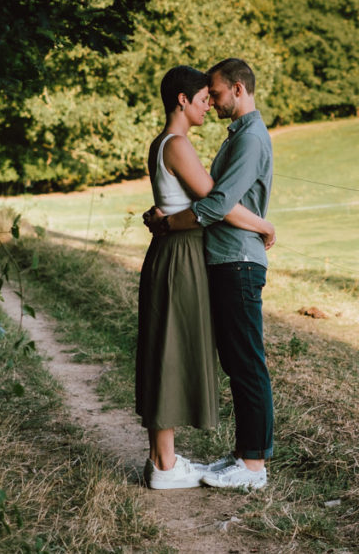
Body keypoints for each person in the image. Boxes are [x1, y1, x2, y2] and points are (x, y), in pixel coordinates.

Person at [138, 65, 275, 490]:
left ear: (237, 89)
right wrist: (263, 226)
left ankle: (244, 464)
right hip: (196, 256)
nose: (209, 103)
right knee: (193, 352)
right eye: (203, 97)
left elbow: (216, 202)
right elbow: (216, 201)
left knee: (234, 359)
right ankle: (181, 462)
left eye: (213, 96)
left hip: (218, 256)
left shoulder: (240, 139)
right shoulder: (186, 143)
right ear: (183, 100)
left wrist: (169, 219)